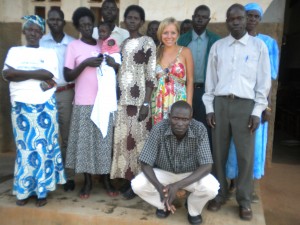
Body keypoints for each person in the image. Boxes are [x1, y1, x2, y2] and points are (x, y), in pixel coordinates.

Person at [202, 4, 271, 221]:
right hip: (221, 105)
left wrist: (257, 111)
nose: (236, 22)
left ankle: (244, 200)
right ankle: (220, 194)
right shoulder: (219, 47)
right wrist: (210, 108)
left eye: (240, 18)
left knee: (245, 156)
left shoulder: (258, 47)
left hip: (245, 107)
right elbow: (210, 80)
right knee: (218, 153)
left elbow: (264, 82)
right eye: (231, 18)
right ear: (226, 21)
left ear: (246, 20)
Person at [2, 15, 66, 207]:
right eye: (29, 29)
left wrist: (20, 74)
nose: (33, 33)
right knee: (25, 149)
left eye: (37, 30)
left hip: (44, 105)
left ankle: (41, 192)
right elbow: (7, 74)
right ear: (24, 32)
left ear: (41, 33)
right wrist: (36, 74)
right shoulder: (14, 51)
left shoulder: (48, 53)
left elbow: (49, 77)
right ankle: (23, 191)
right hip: (21, 106)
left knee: (43, 149)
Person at [132, 101, 219, 225]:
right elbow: (145, 162)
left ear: (191, 119)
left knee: (212, 188)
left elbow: (207, 166)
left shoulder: (199, 129)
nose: (180, 123)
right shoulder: (159, 128)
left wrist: (177, 185)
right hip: (164, 173)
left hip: (190, 174)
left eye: (185, 119)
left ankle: (193, 209)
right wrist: (159, 187)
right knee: (138, 184)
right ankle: (164, 205)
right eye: (176, 118)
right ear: (169, 116)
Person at [226, 2, 280, 200]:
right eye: (248, 15)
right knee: (233, 143)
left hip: (257, 104)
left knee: (254, 146)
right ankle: (232, 180)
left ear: (260, 20)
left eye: (256, 16)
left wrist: (265, 107)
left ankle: (249, 186)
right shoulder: (230, 43)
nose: (251, 19)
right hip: (235, 103)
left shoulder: (267, 43)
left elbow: (269, 79)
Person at [64, 7, 118, 199]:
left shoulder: (103, 44)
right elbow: (67, 75)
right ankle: (87, 182)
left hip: (104, 102)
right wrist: (85, 64)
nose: (87, 28)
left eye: (90, 24)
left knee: (104, 143)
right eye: (83, 25)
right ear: (78, 26)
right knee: (86, 145)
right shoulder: (73, 47)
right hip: (83, 102)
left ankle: (105, 179)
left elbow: (115, 66)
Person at [110, 5, 157, 199]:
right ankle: (129, 181)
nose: (131, 20)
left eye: (136, 18)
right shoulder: (121, 43)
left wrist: (146, 103)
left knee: (139, 142)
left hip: (139, 102)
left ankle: (139, 184)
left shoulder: (147, 42)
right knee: (124, 142)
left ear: (141, 22)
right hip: (122, 101)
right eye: (128, 17)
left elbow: (150, 74)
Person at [40, 8, 76, 192]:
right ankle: (48, 175)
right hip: (44, 93)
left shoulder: (71, 43)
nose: (54, 22)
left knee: (67, 136)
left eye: (58, 19)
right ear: (47, 22)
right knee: (47, 136)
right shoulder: (41, 42)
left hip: (65, 92)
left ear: (63, 21)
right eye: (51, 19)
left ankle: (68, 176)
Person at [178, 5, 220, 146]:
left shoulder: (215, 41)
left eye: (204, 17)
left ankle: (204, 164)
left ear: (208, 20)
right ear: (193, 18)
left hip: (205, 92)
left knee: (204, 128)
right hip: (184, 91)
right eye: (197, 16)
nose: (200, 19)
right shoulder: (182, 40)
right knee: (183, 126)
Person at [151, 17, 194, 125]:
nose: (169, 36)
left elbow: (190, 81)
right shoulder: (155, 52)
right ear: (160, 34)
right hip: (158, 102)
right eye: (165, 33)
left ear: (178, 34)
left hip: (179, 101)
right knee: (160, 134)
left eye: (173, 33)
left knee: (178, 133)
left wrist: (188, 105)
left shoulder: (185, 52)